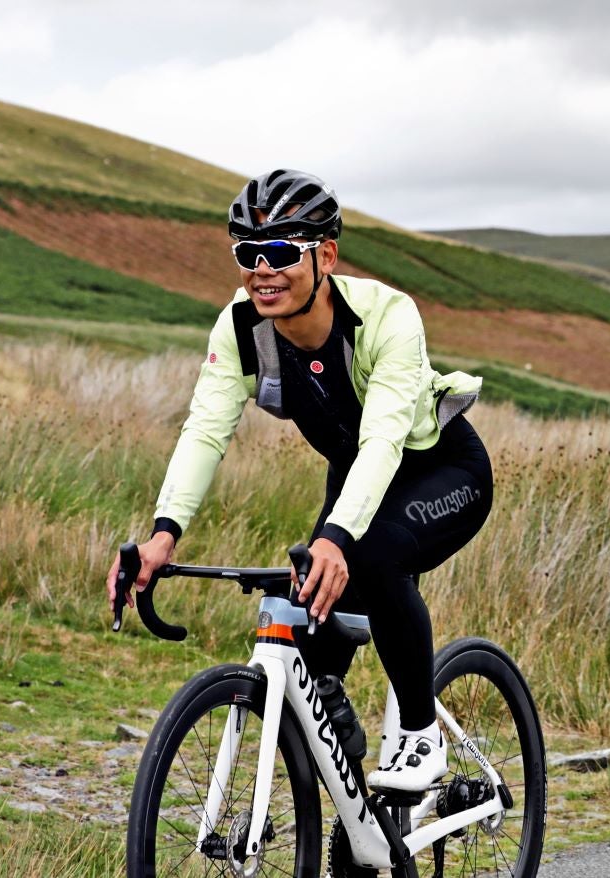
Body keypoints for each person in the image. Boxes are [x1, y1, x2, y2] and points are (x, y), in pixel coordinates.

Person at [107, 168, 491, 792]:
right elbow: (206, 430)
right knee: (310, 633)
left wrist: (339, 538)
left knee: (374, 554)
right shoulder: (240, 327)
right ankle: (356, 808)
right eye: (248, 254)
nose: (264, 270)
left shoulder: (388, 316)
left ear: (326, 256)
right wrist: (163, 534)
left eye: (282, 252)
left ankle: (421, 736)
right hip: (354, 478)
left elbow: (384, 441)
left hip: (440, 468)